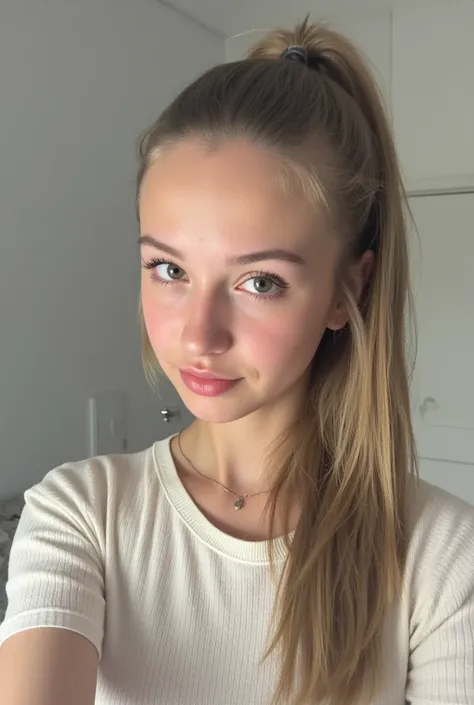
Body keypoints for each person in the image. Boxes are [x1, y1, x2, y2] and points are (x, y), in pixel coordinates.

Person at [0, 16, 473, 705]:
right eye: (169, 269)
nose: (200, 335)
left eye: (260, 282)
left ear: (348, 289)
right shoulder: (80, 515)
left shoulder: (442, 555)